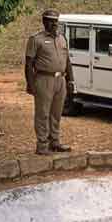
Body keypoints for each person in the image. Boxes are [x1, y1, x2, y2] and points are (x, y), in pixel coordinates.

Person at [24, 9, 74, 155]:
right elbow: (28, 63)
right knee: (43, 113)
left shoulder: (62, 38)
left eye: (55, 21)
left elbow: (67, 60)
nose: (54, 23)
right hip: (44, 79)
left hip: (60, 80)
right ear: (44, 22)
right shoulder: (36, 39)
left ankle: (55, 142)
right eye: (50, 21)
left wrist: (71, 80)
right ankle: (42, 145)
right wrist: (30, 84)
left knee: (56, 113)